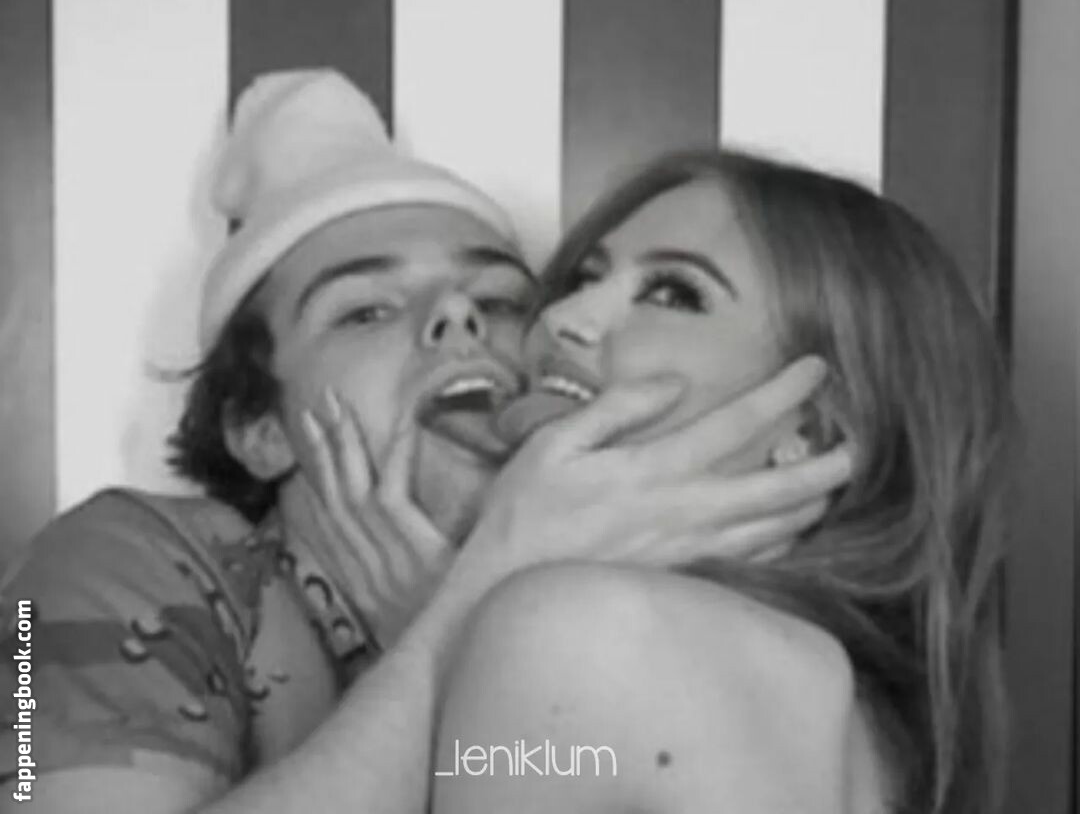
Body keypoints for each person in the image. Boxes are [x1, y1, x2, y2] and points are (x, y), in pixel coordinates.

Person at [0, 74, 850, 813]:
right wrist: (464, 617)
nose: (458, 316)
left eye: (502, 300)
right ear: (260, 430)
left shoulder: (671, 611)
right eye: (365, 311)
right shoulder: (115, 558)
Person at [419, 151, 1015, 814]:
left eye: (673, 294)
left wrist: (454, 620)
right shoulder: (855, 711)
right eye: (586, 275)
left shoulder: (585, 633)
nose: (565, 316)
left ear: (814, 430)